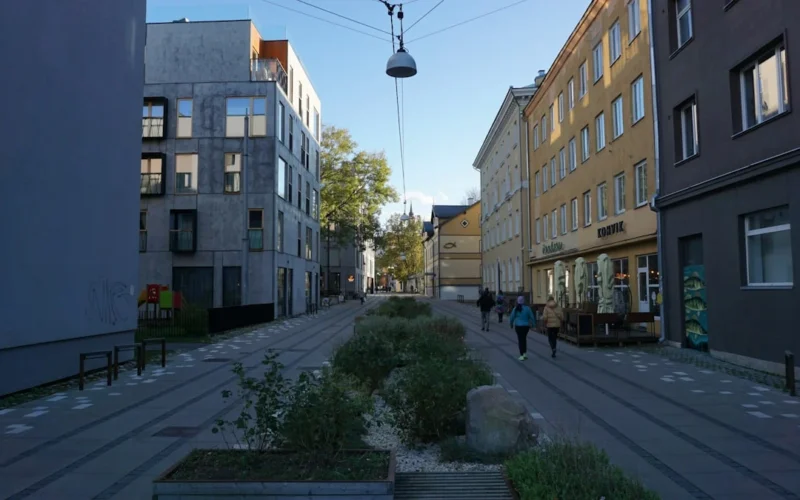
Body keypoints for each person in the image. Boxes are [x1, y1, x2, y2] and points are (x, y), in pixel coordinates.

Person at [509, 296, 536, 361]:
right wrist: (534, 325)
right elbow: (531, 317)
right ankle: (524, 354)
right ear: (524, 301)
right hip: (526, 327)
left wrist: (511, 324)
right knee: (524, 339)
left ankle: (521, 355)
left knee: (520, 340)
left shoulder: (515, 309)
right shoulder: (527, 308)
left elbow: (511, 317)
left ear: (517, 301)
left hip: (518, 326)